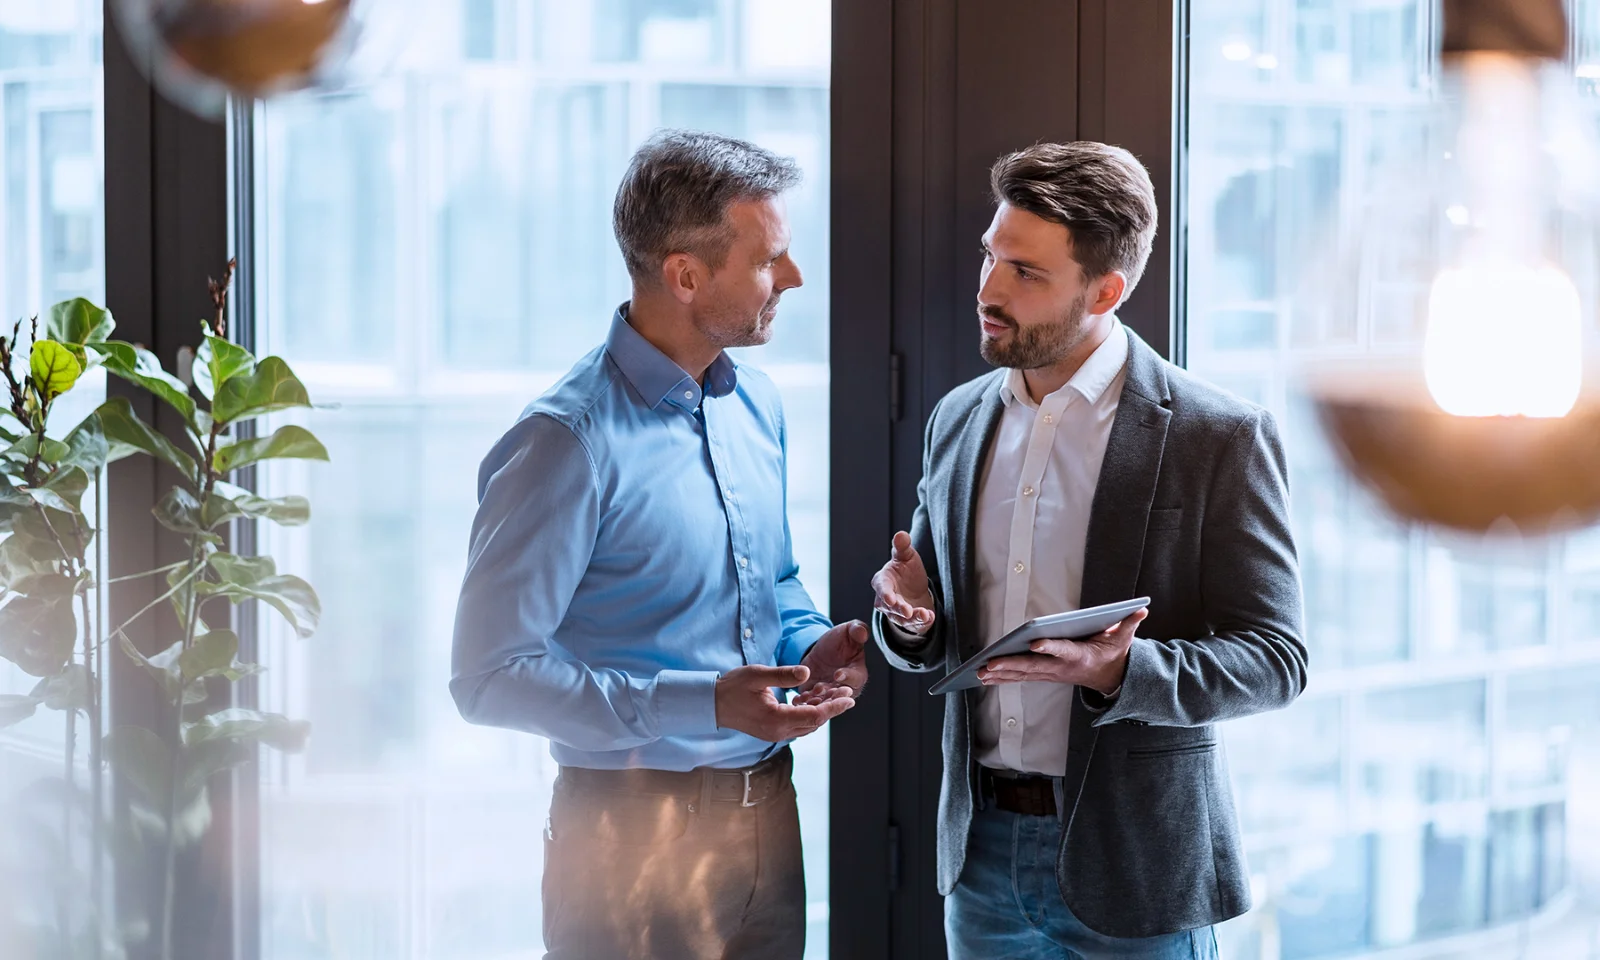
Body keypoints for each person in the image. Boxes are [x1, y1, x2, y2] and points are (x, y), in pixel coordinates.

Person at [871, 141, 1307, 960]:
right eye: (990, 256)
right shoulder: (957, 420)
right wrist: (911, 620)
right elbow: (925, 635)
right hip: (980, 862)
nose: (989, 290)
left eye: (1025, 273)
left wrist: (1118, 672)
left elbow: (1277, 660)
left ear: (1106, 290)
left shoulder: (1220, 436)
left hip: (1137, 871)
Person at [450, 129, 867, 960]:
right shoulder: (564, 441)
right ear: (685, 275)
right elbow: (487, 680)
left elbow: (774, 578)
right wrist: (702, 701)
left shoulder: (757, 406)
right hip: (623, 838)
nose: (793, 277)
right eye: (769, 259)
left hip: (768, 819)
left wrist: (809, 643)